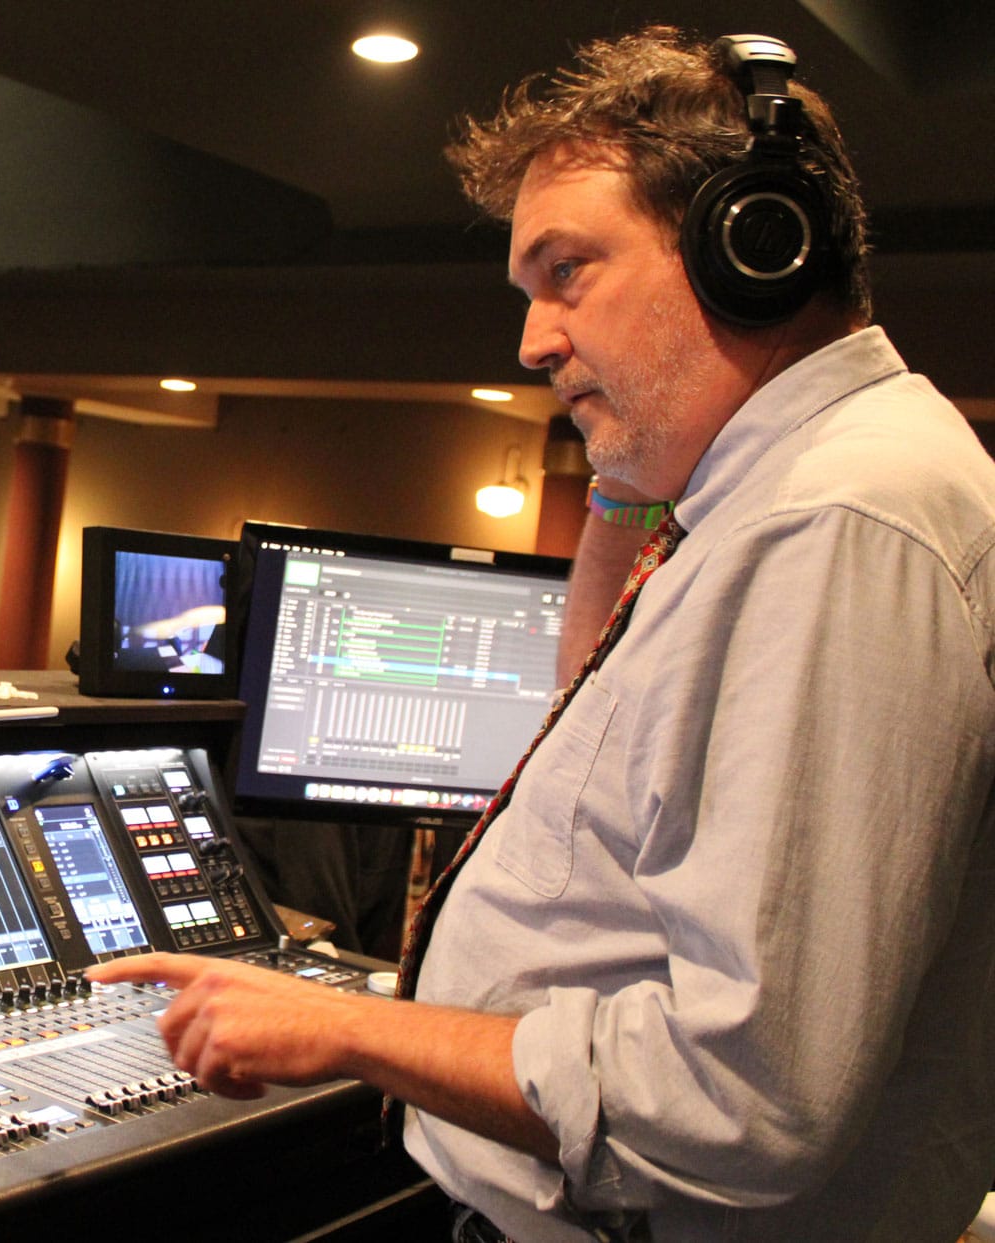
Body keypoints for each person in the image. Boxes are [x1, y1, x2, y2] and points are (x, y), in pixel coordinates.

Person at [90, 26, 995, 1241]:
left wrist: (351, 1025)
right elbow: (595, 721)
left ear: (754, 248)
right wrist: (633, 469)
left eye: (569, 270)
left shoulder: (837, 522)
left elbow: (744, 1102)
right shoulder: (787, 495)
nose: (532, 341)